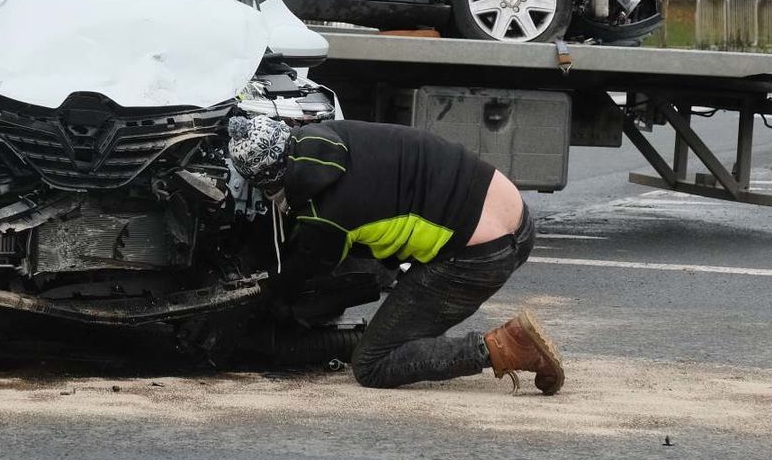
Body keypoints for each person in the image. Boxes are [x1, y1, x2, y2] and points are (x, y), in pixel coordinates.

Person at [226, 114, 564, 394]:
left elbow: (298, 277)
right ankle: (403, 328)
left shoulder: (326, 218)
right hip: (512, 213)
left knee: (373, 364)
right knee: (378, 253)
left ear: (269, 181)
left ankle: (503, 348)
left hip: (480, 256)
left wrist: (261, 298)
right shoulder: (332, 132)